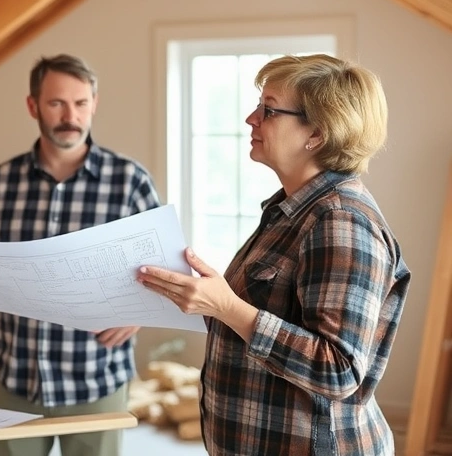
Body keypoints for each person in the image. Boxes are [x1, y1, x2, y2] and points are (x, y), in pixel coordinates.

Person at [138, 54, 410, 455]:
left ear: (316, 133)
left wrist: (227, 307)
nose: (251, 118)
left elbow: (339, 369)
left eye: (269, 109)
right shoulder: (291, 209)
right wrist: (202, 300)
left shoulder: (341, 221)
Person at [0, 54, 161, 456]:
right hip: (14, 376)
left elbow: (165, 273)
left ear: (95, 104)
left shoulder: (131, 182)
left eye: (81, 103)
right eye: (56, 103)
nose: (70, 116)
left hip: (96, 376)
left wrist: (140, 312)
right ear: (33, 106)